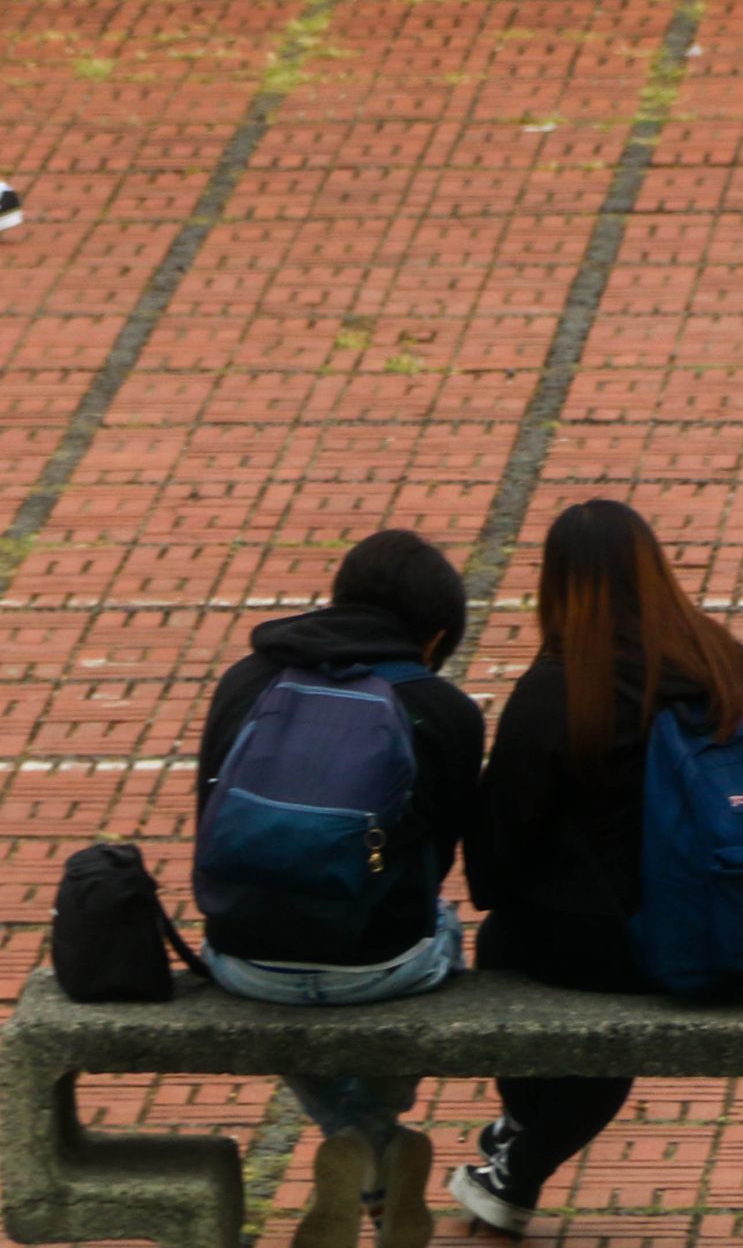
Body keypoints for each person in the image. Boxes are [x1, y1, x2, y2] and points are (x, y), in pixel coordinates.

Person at [451, 499, 743, 1235]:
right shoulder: (724, 660)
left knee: (506, 949)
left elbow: (502, 837)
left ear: (558, 584)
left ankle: (522, 1157)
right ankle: (516, 1148)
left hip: (616, 936)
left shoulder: (558, 687)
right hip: (725, 914)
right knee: (590, 992)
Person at [193, 530, 484, 1248]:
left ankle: (355, 1146)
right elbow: (445, 862)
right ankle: (376, 1154)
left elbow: (210, 823)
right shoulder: (444, 709)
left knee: (273, 938)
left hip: (246, 963)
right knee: (437, 932)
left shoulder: (247, 681)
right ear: (436, 634)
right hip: (381, 964)